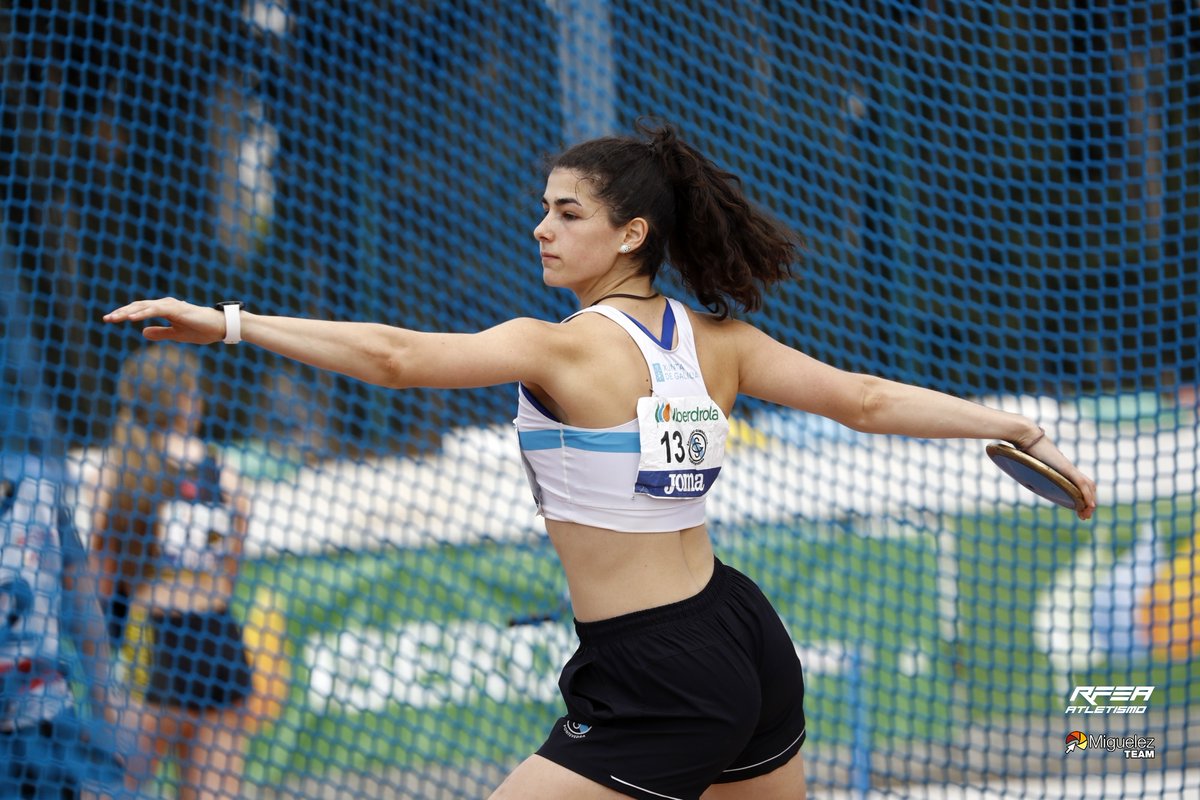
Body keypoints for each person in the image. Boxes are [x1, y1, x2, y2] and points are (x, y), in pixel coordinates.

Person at [103, 121, 1097, 800]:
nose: (541, 225)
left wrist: (229, 322)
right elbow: (869, 402)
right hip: (741, 630)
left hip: (660, 665)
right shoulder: (722, 340)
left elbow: (395, 357)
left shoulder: (564, 344)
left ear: (632, 231)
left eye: (567, 211)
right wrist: (1008, 424)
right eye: (543, 207)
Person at [89, 347, 255, 800]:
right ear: (183, 400)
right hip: (218, 640)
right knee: (212, 792)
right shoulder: (225, 474)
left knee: (113, 786)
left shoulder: (118, 470)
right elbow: (231, 573)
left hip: (153, 642)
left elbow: (100, 578)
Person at [1, 443, 129, 800]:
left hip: (43, 719)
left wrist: (106, 704)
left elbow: (82, 596)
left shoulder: (37, 480)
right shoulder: (38, 478)